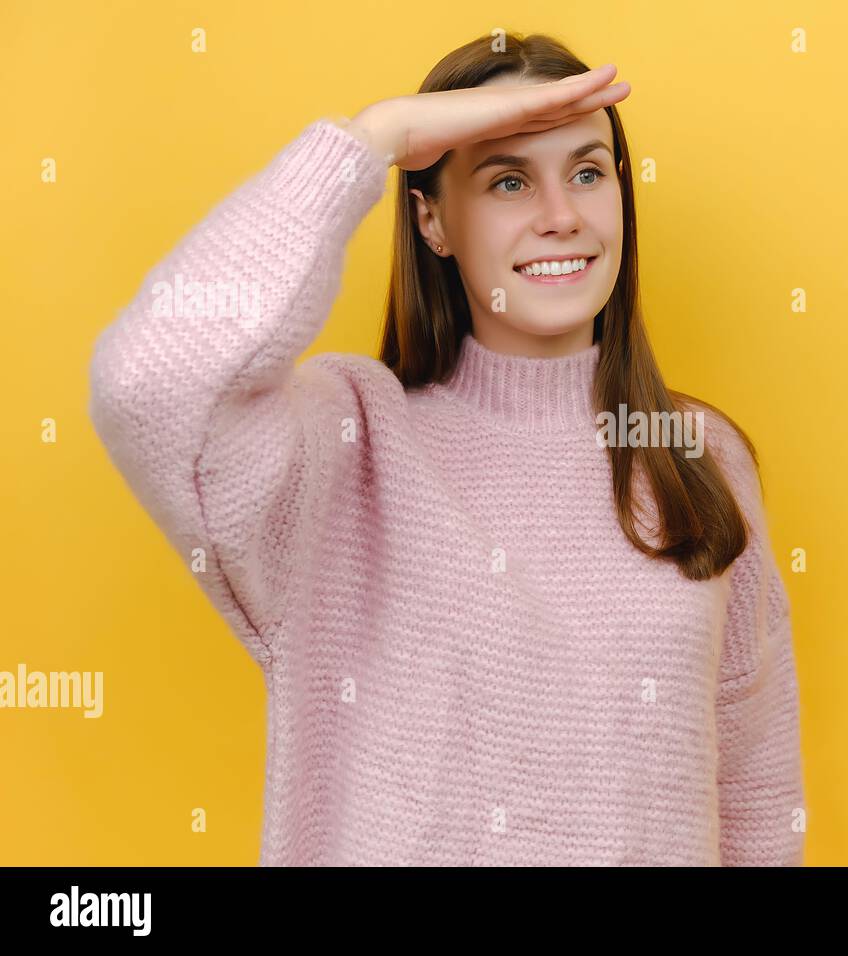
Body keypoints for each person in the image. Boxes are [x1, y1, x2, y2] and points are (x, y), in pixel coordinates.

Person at [88, 31, 805, 866]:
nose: (561, 216)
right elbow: (149, 382)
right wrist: (371, 140)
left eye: (587, 171)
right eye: (507, 180)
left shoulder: (699, 455)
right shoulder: (349, 445)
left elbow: (756, 799)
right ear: (431, 219)